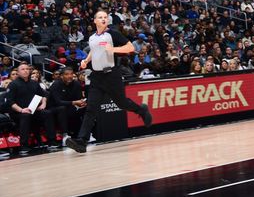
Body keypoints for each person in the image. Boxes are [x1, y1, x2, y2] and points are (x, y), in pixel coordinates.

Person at [65, 10, 153, 153]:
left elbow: (130, 48)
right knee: (91, 108)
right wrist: (86, 61)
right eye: (100, 17)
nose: (103, 19)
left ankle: (141, 109)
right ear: (94, 21)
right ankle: (82, 141)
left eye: (105, 17)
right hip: (97, 76)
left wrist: (113, 49)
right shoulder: (92, 37)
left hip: (111, 75)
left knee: (122, 103)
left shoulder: (112, 34)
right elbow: (94, 50)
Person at [5, 63, 59, 154]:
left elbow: (43, 95)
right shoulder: (13, 85)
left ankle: (52, 142)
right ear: (18, 72)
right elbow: (10, 102)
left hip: (34, 110)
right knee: (25, 116)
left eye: (27, 69)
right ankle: (24, 146)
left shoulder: (34, 83)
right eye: (23, 69)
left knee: (47, 113)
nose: (26, 70)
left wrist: (43, 104)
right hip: (18, 112)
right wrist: (21, 110)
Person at [48, 67, 86, 137]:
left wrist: (82, 103)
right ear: (61, 76)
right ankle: (65, 135)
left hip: (71, 106)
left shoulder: (76, 84)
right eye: (67, 74)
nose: (70, 76)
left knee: (87, 108)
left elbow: (79, 98)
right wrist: (74, 102)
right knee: (63, 109)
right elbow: (58, 102)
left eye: (71, 74)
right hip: (55, 107)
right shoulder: (56, 85)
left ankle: (86, 133)